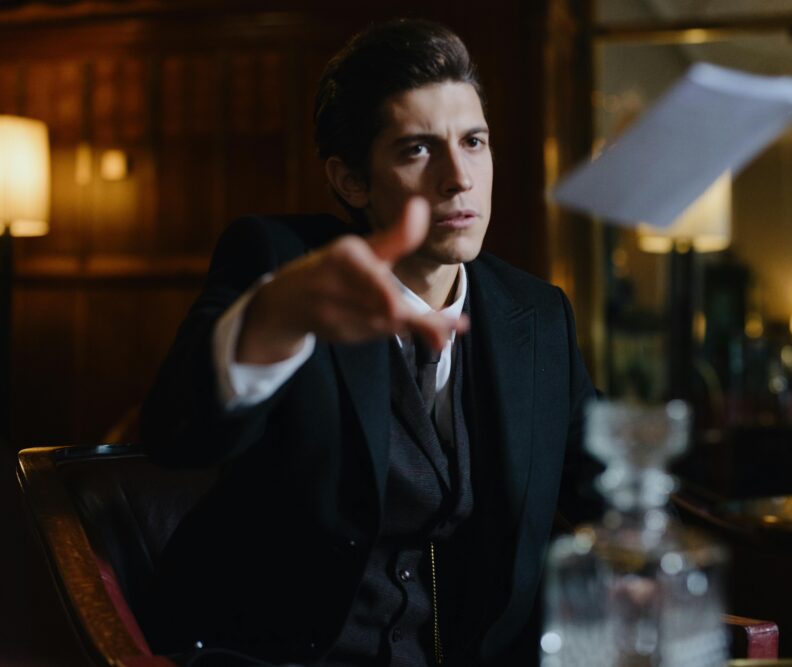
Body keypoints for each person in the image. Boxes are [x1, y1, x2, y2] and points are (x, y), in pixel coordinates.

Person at [139, 18, 600, 667]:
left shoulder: (537, 314)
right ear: (351, 180)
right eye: (417, 150)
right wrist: (274, 319)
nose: (459, 178)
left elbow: (604, 479)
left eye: (474, 141)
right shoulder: (281, 266)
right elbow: (175, 433)